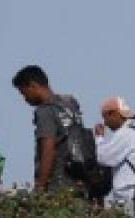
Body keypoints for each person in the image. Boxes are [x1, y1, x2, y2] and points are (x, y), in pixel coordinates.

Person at [11, 65, 86, 195]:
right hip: (81, 181)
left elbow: (48, 149)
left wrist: (40, 187)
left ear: (33, 86)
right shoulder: (70, 102)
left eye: (24, 93)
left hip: (59, 185)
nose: (25, 99)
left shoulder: (45, 111)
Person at [93, 97, 135, 216]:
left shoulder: (124, 134)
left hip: (127, 197)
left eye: (105, 118)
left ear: (114, 114)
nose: (105, 123)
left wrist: (99, 137)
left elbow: (103, 158)